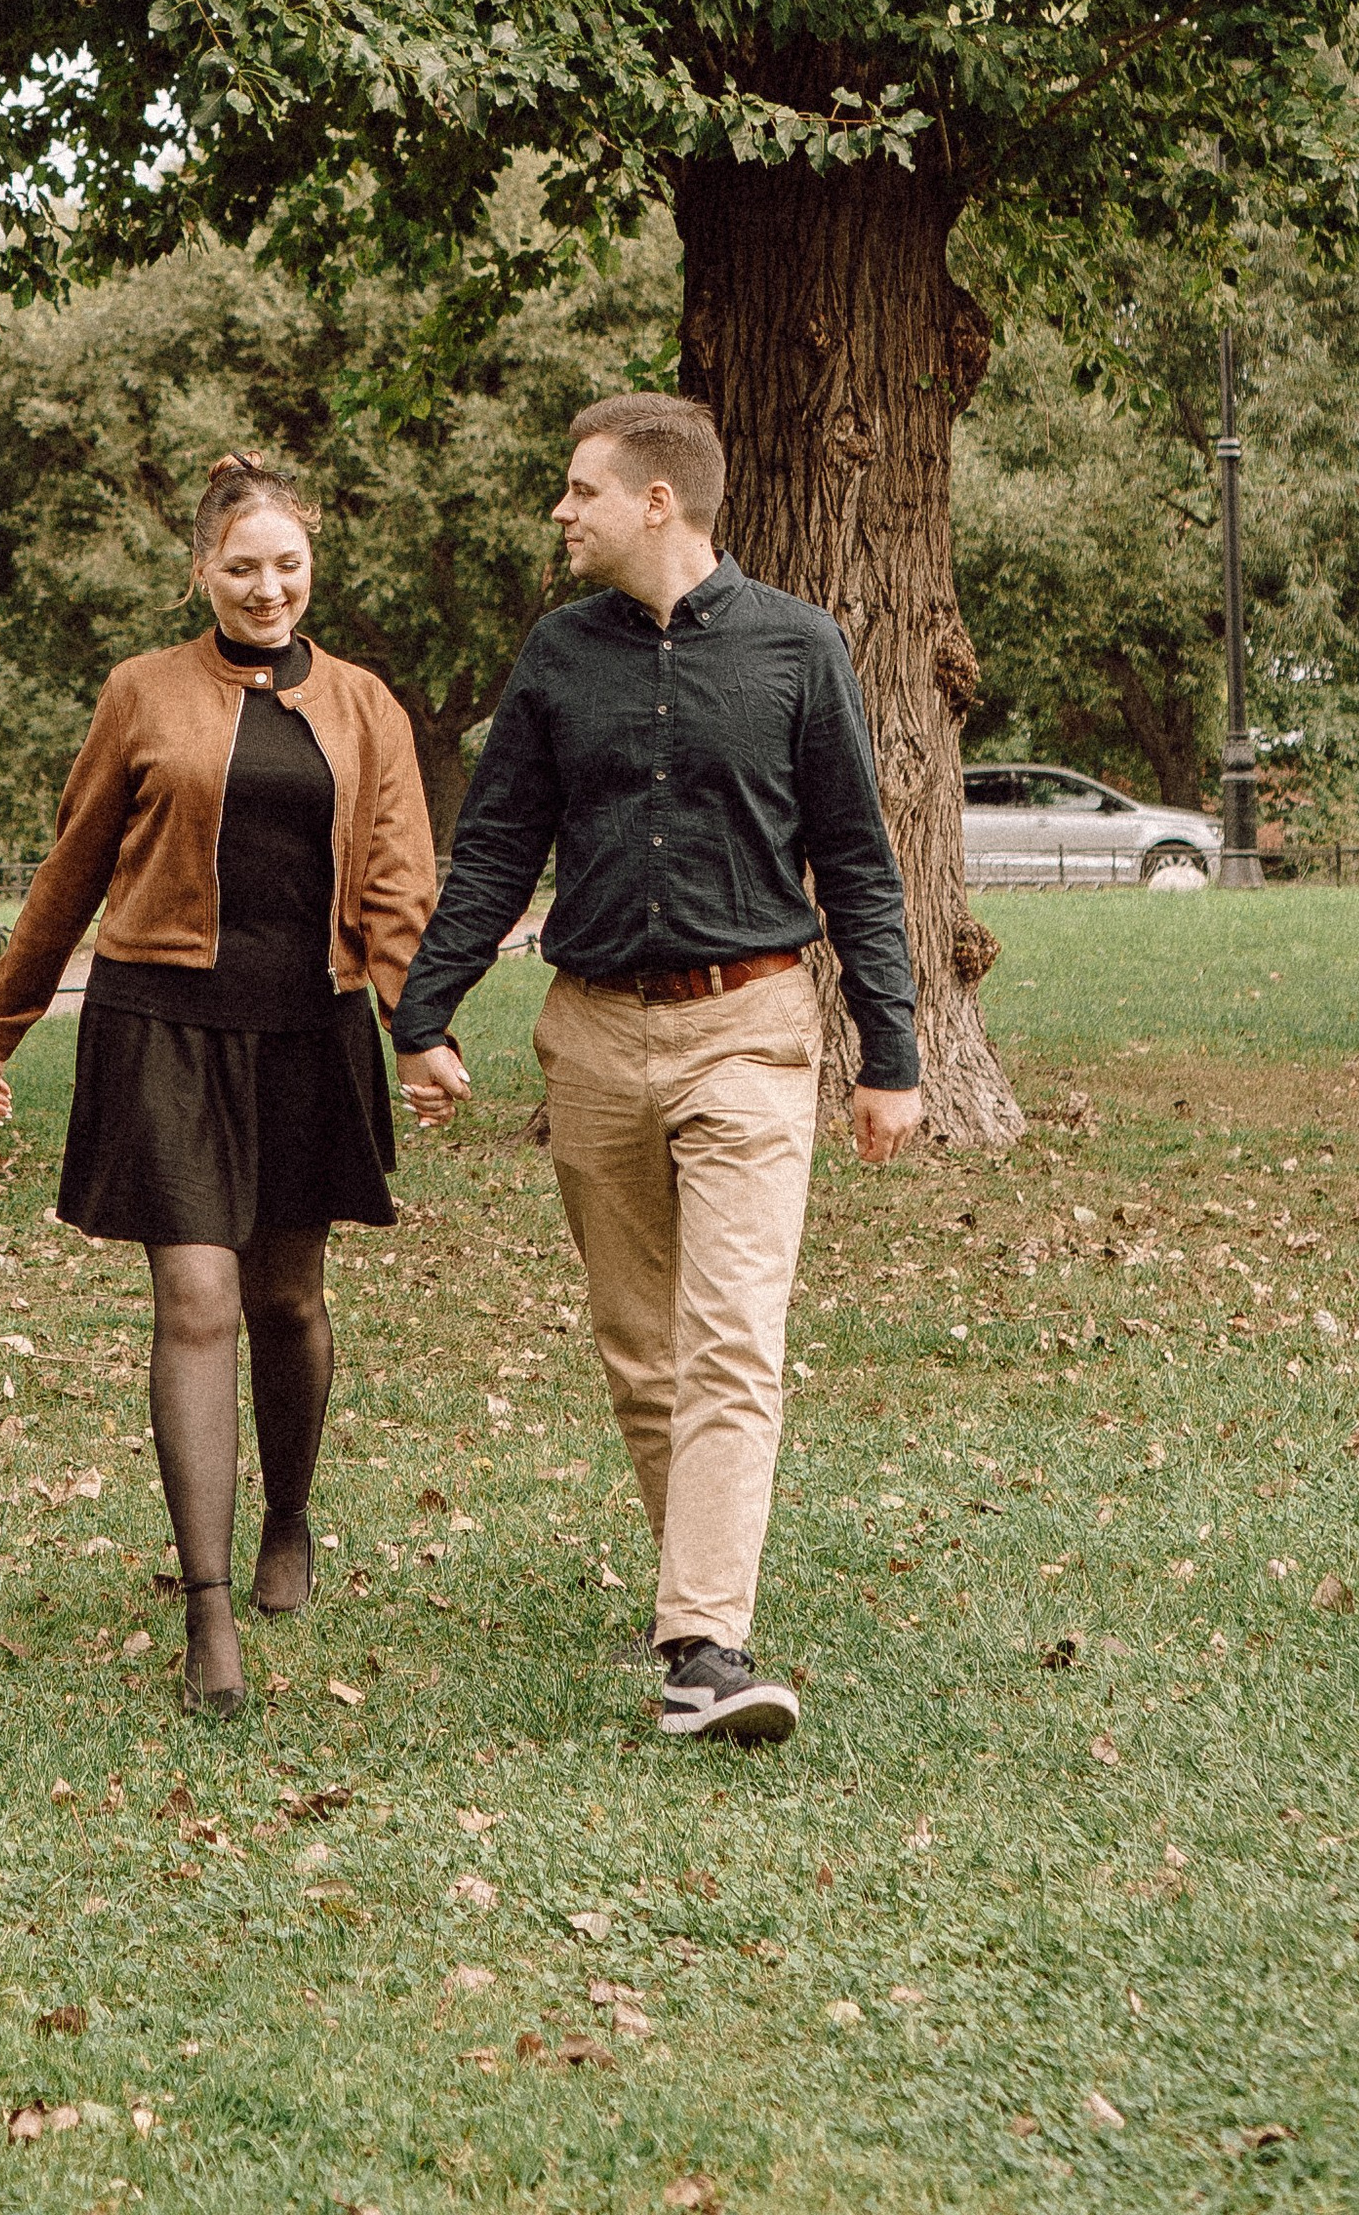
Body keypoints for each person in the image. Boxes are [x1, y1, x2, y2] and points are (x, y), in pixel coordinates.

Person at [391, 391, 922, 1747]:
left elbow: (856, 859)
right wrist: (426, 1011)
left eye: (580, 490)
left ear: (657, 501)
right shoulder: (558, 657)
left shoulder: (800, 649)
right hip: (593, 1034)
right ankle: (702, 1595)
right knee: (642, 1351)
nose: (561, 513)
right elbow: (499, 844)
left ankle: (703, 1642)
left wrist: (891, 1050)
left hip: (750, 1026)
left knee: (732, 1336)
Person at [0, 453, 436, 1717]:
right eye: (242, 568)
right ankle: (208, 1606)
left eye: (287, 566)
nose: (267, 589)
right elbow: (71, 867)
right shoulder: (142, 694)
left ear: (311, 564)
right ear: (201, 572)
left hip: (307, 1032)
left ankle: (290, 1518)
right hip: (163, 1023)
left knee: (286, 1300)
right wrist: (0, 1024)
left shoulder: (363, 705)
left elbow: (395, 878)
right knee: (197, 1297)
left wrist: (415, 1020)